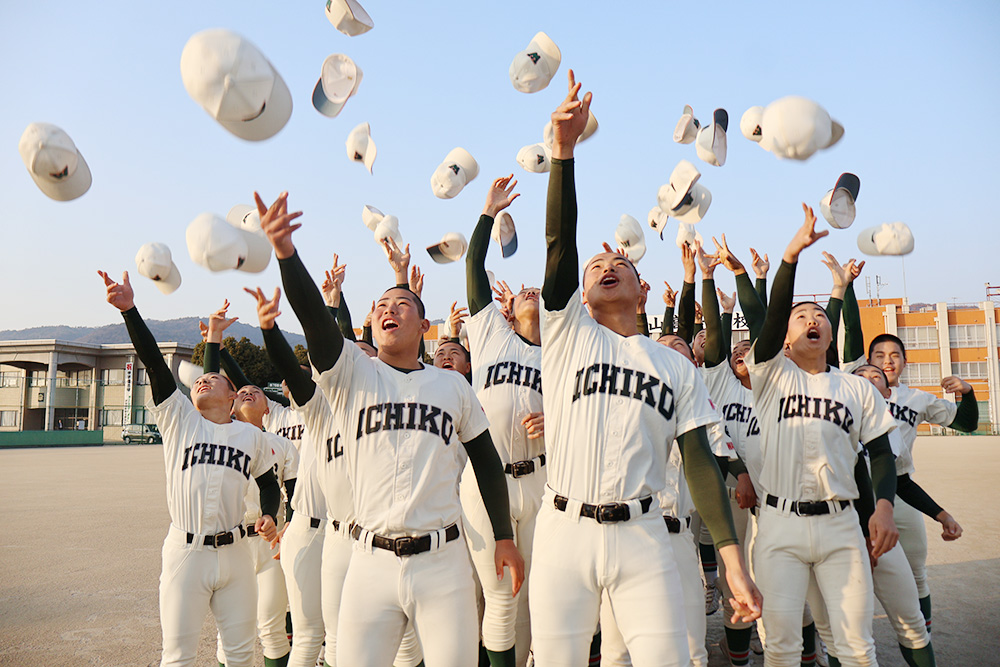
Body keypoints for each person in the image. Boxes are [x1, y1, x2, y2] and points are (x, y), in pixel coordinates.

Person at [530, 70, 760, 667]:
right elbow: (559, 247)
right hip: (563, 532)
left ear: (641, 289)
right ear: (580, 297)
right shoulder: (566, 334)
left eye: (619, 264)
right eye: (595, 266)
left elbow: (701, 462)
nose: (605, 264)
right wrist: (562, 155)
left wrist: (732, 558)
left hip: (643, 533)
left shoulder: (673, 363)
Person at [255, 189, 524, 666]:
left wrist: (503, 533)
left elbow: (486, 463)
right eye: (381, 305)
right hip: (369, 560)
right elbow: (316, 322)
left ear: (425, 327)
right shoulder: (355, 374)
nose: (388, 309)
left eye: (402, 304)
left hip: (443, 561)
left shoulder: (452, 386)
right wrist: (285, 254)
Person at [97, 270, 280, 667]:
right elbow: (153, 362)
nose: (201, 381)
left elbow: (268, 483)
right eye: (199, 379)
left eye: (212, 378)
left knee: (240, 654)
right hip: (186, 551)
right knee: (177, 656)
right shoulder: (180, 419)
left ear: (232, 395)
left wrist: (269, 513)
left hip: (236, 555)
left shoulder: (250, 437)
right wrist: (130, 310)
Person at [745, 204, 898, 667]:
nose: (813, 319)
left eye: (820, 316)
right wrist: (789, 258)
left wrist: (885, 507)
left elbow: (882, 453)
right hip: (779, 526)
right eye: (801, 316)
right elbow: (770, 322)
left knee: (854, 647)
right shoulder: (770, 375)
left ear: (830, 335)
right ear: (785, 341)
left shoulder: (856, 387)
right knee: (784, 647)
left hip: (839, 525)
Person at [461, 175, 544, 667]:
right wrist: (487, 213)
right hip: (485, 483)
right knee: (500, 597)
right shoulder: (491, 334)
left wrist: (552, 422)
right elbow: (475, 268)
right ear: (507, 307)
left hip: (542, 481)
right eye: (523, 289)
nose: (531, 290)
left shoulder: (563, 351)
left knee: (532, 594)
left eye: (540, 289)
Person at [867, 332, 978, 633]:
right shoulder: (852, 394)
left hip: (901, 494)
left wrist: (967, 392)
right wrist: (845, 287)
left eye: (894, 355)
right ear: (867, 361)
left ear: (905, 362)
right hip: (855, 496)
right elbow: (851, 332)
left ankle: (922, 636)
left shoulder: (916, 399)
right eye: (879, 355)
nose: (887, 361)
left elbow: (967, 424)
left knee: (916, 574)